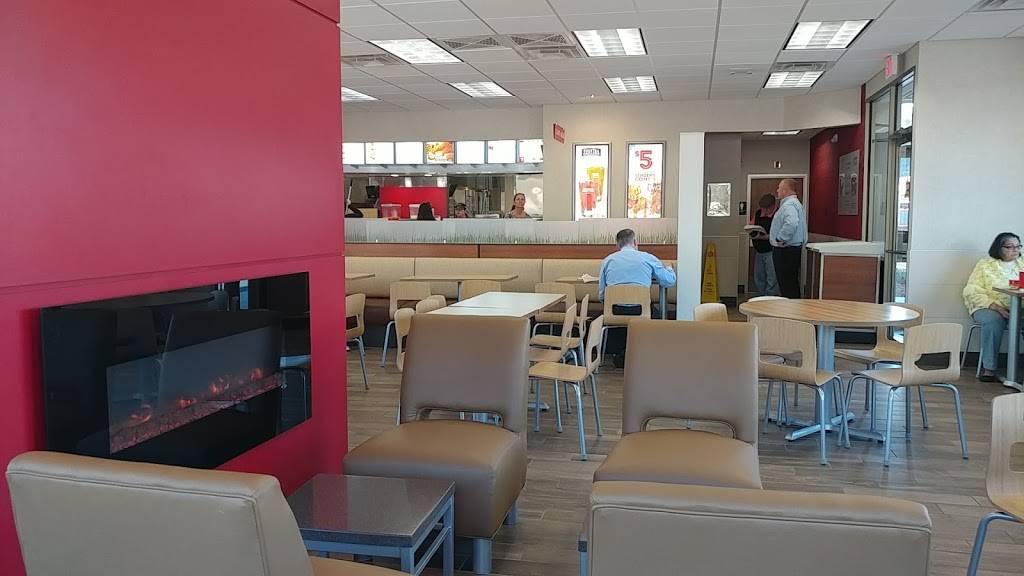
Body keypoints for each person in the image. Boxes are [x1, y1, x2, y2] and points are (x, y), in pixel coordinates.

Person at [963, 232, 1024, 383]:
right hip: (988, 306)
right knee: (993, 321)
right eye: (1010, 247)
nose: (1015, 250)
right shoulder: (984, 265)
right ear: (999, 248)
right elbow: (972, 290)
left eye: (1018, 247)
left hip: (1019, 306)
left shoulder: (1022, 263)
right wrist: (996, 307)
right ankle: (989, 368)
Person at [769, 178, 807, 298]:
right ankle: (792, 306)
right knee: (790, 283)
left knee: (786, 284)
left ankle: (789, 308)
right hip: (791, 249)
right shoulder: (794, 204)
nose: (777, 190)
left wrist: (781, 238)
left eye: (779, 188)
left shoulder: (789, 205)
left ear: (785, 190)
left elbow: (791, 223)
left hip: (786, 250)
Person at [750, 193, 779, 297]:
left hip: (771, 251)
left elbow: (779, 234)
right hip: (759, 250)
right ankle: (761, 297)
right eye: (762, 208)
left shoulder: (778, 214)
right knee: (759, 277)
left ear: (773, 206)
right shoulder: (758, 213)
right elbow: (751, 225)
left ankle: (770, 299)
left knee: (772, 278)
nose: (764, 211)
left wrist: (766, 237)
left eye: (766, 209)